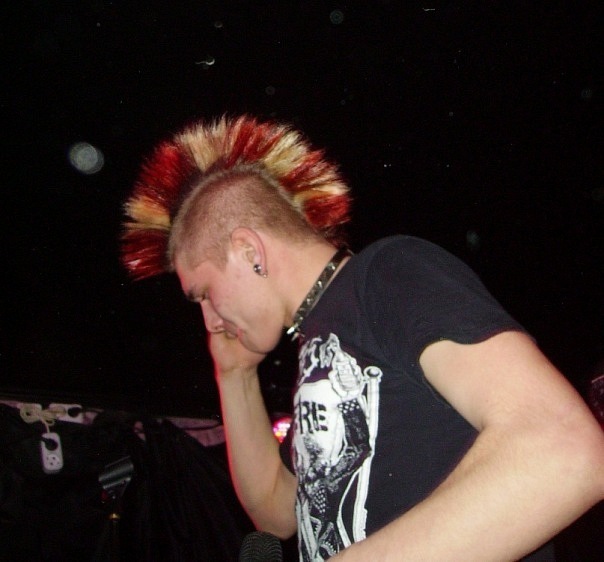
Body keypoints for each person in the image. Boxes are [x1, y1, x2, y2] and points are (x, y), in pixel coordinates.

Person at [121, 114, 604, 561]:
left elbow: (562, 449)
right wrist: (234, 375)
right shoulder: (318, 346)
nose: (209, 320)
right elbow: (276, 511)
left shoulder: (388, 274)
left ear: (249, 251)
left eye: (204, 294)